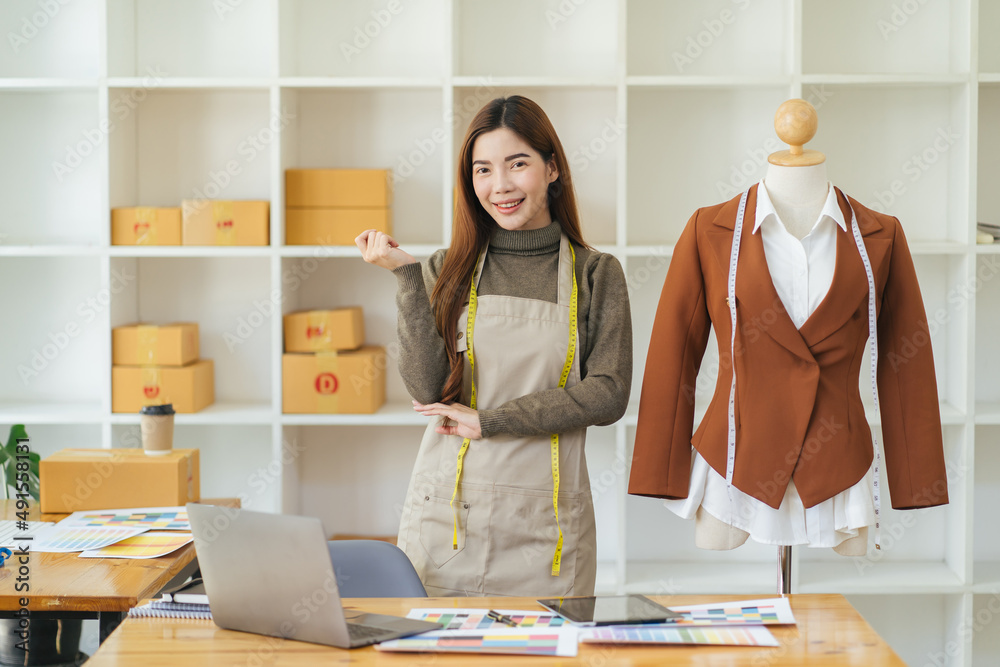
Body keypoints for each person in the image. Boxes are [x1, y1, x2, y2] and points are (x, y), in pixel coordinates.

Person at [355, 95, 632, 597]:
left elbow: (609, 395)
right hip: (448, 523)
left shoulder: (596, 274)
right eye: (483, 169)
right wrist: (407, 278)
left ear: (551, 168)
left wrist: (493, 421)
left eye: (517, 164)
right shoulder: (447, 269)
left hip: (548, 531)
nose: (499, 185)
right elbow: (427, 389)